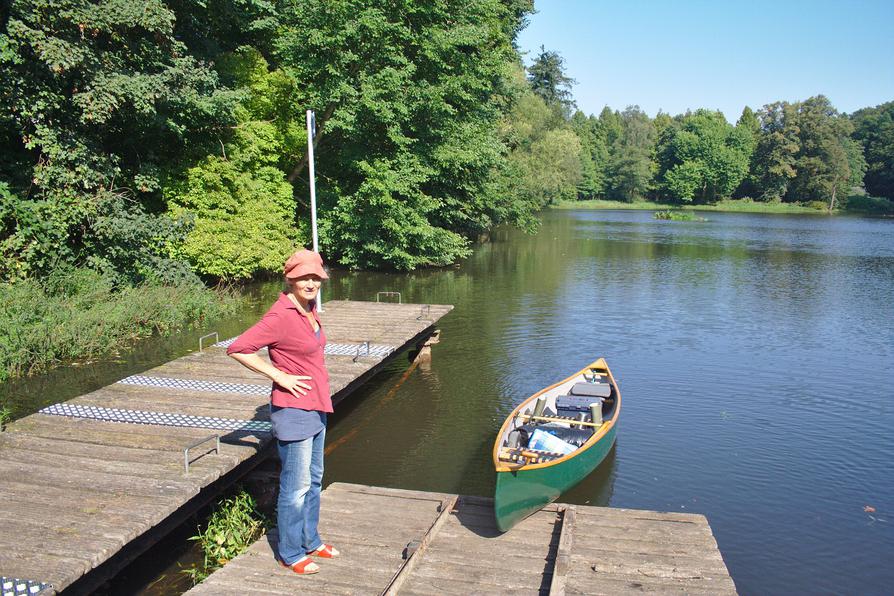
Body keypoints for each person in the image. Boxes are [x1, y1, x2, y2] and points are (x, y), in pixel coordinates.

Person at [227, 248, 339, 575]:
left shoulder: (308, 308)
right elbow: (238, 348)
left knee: (314, 479)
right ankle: (290, 553)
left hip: (317, 406)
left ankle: (311, 540)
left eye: (315, 277)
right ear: (290, 279)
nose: (311, 282)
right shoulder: (281, 315)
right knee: (296, 486)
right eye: (304, 277)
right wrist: (280, 376)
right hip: (294, 412)